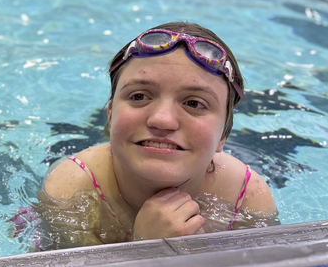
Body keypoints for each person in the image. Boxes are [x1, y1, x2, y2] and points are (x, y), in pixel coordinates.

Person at [39, 22, 277, 246]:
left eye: (194, 103)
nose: (162, 120)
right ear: (110, 116)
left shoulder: (245, 198)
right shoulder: (70, 192)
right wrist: (144, 246)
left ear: (223, 135)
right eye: (139, 96)